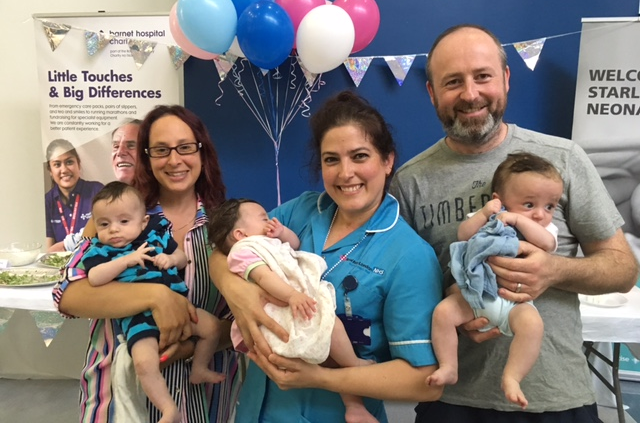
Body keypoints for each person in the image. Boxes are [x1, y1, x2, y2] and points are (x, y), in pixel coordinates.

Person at [388, 24, 639, 421]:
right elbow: (400, 289)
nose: (470, 94)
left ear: (505, 79)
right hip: (454, 402)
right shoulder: (409, 182)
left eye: (482, 76)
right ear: (433, 93)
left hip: (555, 399)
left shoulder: (564, 160)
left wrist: (552, 270)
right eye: (453, 81)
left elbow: (624, 269)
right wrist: (457, 303)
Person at [209, 90, 444, 422]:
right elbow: (224, 248)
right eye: (331, 159)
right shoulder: (302, 211)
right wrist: (240, 293)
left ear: (387, 160)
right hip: (255, 409)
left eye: (360, 156)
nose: (345, 173)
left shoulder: (409, 256)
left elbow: (425, 382)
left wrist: (323, 379)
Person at [53, 105, 239, 423]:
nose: (174, 160)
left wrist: (190, 346)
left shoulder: (224, 225)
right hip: (117, 395)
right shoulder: (114, 218)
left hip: (202, 402)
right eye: (161, 150)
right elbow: (68, 295)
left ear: (202, 152)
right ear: (146, 157)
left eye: (185, 147)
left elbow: (234, 323)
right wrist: (157, 296)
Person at [208, 198, 378, 423]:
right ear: (240, 235)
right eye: (264, 219)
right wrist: (292, 296)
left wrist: (282, 232)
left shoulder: (270, 241)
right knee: (327, 340)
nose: (270, 220)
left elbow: (295, 245)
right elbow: (263, 277)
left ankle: (353, 402)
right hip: (282, 308)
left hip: (297, 301)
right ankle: (354, 378)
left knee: (331, 331)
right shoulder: (244, 251)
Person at [428, 152, 564, 409]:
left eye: (550, 206)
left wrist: (517, 218)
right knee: (443, 313)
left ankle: (512, 377)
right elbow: (463, 235)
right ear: (498, 201)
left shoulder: (546, 230)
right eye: (529, 204)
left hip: (514, 304)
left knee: (533, 327)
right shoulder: (488, 220)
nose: (539, 214)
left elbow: (547, 243)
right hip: (475, 295)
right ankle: (449, 366)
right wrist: (483, 215)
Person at [81, 181, 225, 423]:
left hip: (181, 310)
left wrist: (170, 259)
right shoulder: (99, 250)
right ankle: (169, 409)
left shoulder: (156, 235)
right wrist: (126, 261)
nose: (114, 230)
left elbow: (182, 257)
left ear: (143, 221)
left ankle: (199, 368)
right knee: (144, 363)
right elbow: (94, 278)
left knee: (211, 328)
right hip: (140, 319)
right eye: (104, 224)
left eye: (124, 222)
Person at [50, 119, 142, 253]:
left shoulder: (163, 205)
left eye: (131, 145)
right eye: (116, 146)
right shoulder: (109, 201)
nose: (120, 152)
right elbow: (63, 247)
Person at [44, 138, 103, 248]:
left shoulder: (97, 191)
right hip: (61, 264)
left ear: (78, 164)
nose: (64, 169)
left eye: (69, 162)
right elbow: (49, 250)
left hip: (93, 261)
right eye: (57, 164)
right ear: (50, 171)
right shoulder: (47, 201)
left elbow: (107, 233)